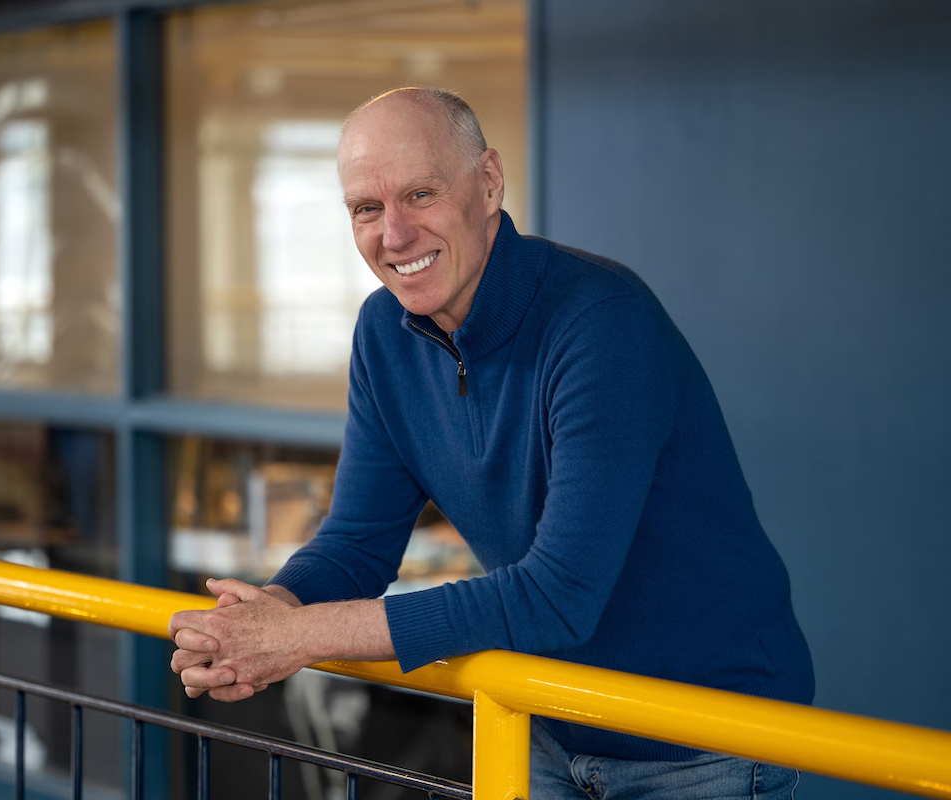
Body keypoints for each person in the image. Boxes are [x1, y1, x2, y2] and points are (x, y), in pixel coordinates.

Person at [168, 87, 815, 799]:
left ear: (489, 183)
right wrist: (269, 612)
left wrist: (300, 637)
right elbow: (356, 542)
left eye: (420, 194)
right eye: (366, 209)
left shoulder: (601, 321)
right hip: (551, 716)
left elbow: (558, 596)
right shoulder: (384, 334)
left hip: (704, 737)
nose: (394, 234)